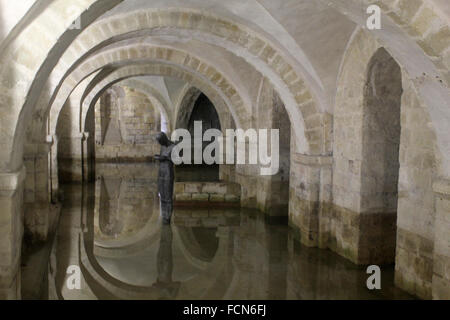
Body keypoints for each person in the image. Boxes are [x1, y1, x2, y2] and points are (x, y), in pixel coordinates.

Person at [154, 132, 177, 224]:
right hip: (161, 172)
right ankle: (164, 215)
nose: (160, 144)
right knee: (162, 194)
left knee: (168, 196)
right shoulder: (163, 146)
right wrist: (159, 157)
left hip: (168, 172)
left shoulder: (174, 147)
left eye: (161, 142)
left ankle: (168, 217)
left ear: (164, 139)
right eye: (159, 143)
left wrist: (166, 158)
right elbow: (161, 156)